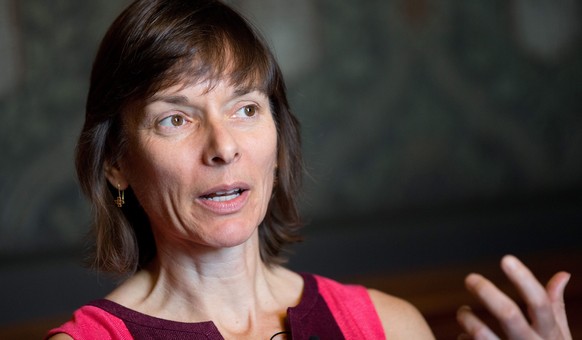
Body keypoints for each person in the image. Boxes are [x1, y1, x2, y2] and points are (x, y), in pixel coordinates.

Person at [46, 0, 572, 339]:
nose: (223, 147)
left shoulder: (390, 327)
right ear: (116, 163)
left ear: (277, 138)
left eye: (246, 108)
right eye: (176, 118)